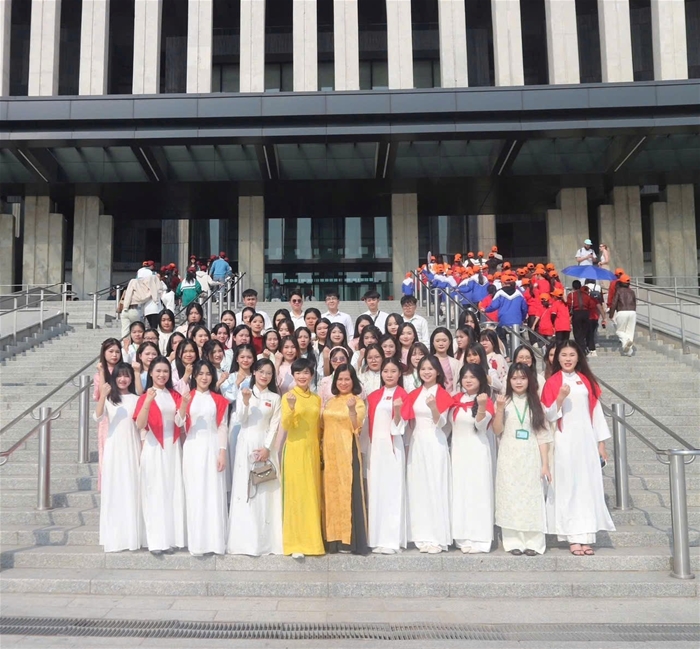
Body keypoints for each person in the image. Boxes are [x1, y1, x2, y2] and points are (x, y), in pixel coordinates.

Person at [541, 341, 615, 556]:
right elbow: (548, 415)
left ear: (578, 357)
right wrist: (560, 398)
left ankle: (586, 537)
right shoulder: (553, 382)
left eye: (572, 355)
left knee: (586, 487)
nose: (567, 359)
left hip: (586, 441)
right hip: (565, 440)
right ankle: (572, 537)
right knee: (568, 486)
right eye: (563, 355)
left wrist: (601, 443)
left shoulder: (586, 381)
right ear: (557, 358)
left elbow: (596, 413)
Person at [493, 363, 552, 556]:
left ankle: (534, 542)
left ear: (529, 380)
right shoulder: (504, 402)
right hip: (509, 455)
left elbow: (543, 436)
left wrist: (545, 464)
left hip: (530, 456)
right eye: (514, 378)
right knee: (510, 496)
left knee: (531, 497)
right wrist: (499, 409)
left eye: (523, 378)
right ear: (508, 380)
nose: (518, 382)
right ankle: (513, 541)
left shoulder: (536, 404)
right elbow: (497, 430)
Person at [227, 359, 283, 555]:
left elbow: (275, 424)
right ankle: (244, 542)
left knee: (265, 490)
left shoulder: (275, 397)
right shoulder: (245, 392)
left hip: (265, 444)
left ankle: (266, 541)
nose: (264, 376)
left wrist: (267, 448)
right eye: (261, 372)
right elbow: (241, 419)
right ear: (254, 373)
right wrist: (244, 401)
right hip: (246, 443)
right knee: (246, 488)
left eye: (268, 373)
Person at [176, 360, 229, 556]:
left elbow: (222, 426)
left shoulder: (218, 399)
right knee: (195, 492)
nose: (204, 377)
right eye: (200, 374)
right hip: (193, 446)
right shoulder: (187, 397)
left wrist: (222, 451)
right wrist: (183, 404)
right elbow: (179, 422)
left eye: (208, 374)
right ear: (194, 376)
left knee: (213, 492)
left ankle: (215, 542)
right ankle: (197, 542)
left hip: (213, 445)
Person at [134, 357, 186, 555]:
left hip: (172, 447)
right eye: (158, 371)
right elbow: (140, 424)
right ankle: (156, 541)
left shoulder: (174, 395)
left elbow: (180, 422)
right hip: (154, 446)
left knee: (172, 491)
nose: (162, 375)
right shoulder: (145, 396)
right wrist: (148, 401)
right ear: (151, 373)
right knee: (154, 491)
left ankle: (171, 539)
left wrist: (184, 404)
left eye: (165, 371)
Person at [401, 356, 453, 553]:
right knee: (419, 487)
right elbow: (408, 421)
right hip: (417, 442)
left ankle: (437, 537)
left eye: (430, 368)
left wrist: (433, 408)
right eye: (423, 368)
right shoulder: (414, 394)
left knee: (435, 485)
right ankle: (420, 534)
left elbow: (442, 423)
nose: (426, 372)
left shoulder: (443, 394)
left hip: (435, 442)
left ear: (438, 372)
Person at [94, 362, 141, 552]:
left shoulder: (136, 399)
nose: (123, 379)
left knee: (132, 488)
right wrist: (102, 395)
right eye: (120, 375)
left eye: (127, 375)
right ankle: (114, 536)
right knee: (115, 488)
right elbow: (98, 417)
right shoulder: (109, 398)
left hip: (132, 446)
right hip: (114, 447)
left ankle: (132, 535)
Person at [321, 364, 368, 554]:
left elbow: (357, 427)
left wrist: (351, 410)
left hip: (347, 452)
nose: (343, 382)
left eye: (347, 379)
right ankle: (333, 540)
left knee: (347, 492)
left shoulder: (357, 401)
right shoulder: (330, 402)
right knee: (330, 494)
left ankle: (349, 540)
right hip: (330, 454)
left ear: (353, 380)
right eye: (340, 379)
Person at [281, 359, 325, 558]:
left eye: (306, 372)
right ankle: (295, 544)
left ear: (312, 375)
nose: (302, 376)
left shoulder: (316, 399)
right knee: (296, 496)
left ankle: (313, 542)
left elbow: (318, 427)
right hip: (295, 450)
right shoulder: (288, 397)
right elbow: (286, 425)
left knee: (311, 495)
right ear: (293, 375)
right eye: (298, 373)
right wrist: (291, 407)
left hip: (312, 451)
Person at [450, 364, 495, 554]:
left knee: (478, 492)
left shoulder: (486, 400)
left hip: (477, 451)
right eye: (465, 377)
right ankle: (462, 537)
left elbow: (481, 426)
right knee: (460, 492)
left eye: (472, 377)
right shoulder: (455, 400)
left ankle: (480, 538)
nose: (468, 380)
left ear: (480, 379)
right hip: (458, 452)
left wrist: (482, 406)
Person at [366, 358, 408, 554]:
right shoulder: (374, 396)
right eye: (386, 371)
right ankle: (376, 537)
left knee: (392, 491)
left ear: (399, 373)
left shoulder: (403, 394)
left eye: (393, 371)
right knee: (377, 489)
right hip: (376, 447)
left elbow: (400, 427)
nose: (389, 375)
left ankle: (391, 540)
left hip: (393, 447)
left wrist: (397, 410)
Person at [608, 274, 637, 356]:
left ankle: (627, 340)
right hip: (632, 312)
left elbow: (614, 303)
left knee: (619, 331)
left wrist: (611, 314)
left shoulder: (619, 291)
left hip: (622, 312)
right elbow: (635, 303)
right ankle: (629, 351)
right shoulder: (632, 292)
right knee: (630, 332)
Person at [567, 280, 597, 353]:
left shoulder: (571, 295)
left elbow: (569, 305)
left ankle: (582, 348)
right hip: (586, 313)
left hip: (576, 313)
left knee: (577, 332)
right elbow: (591, 305)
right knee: (585, 331)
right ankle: (585, 346)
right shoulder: (586, 295)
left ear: (573, 287)